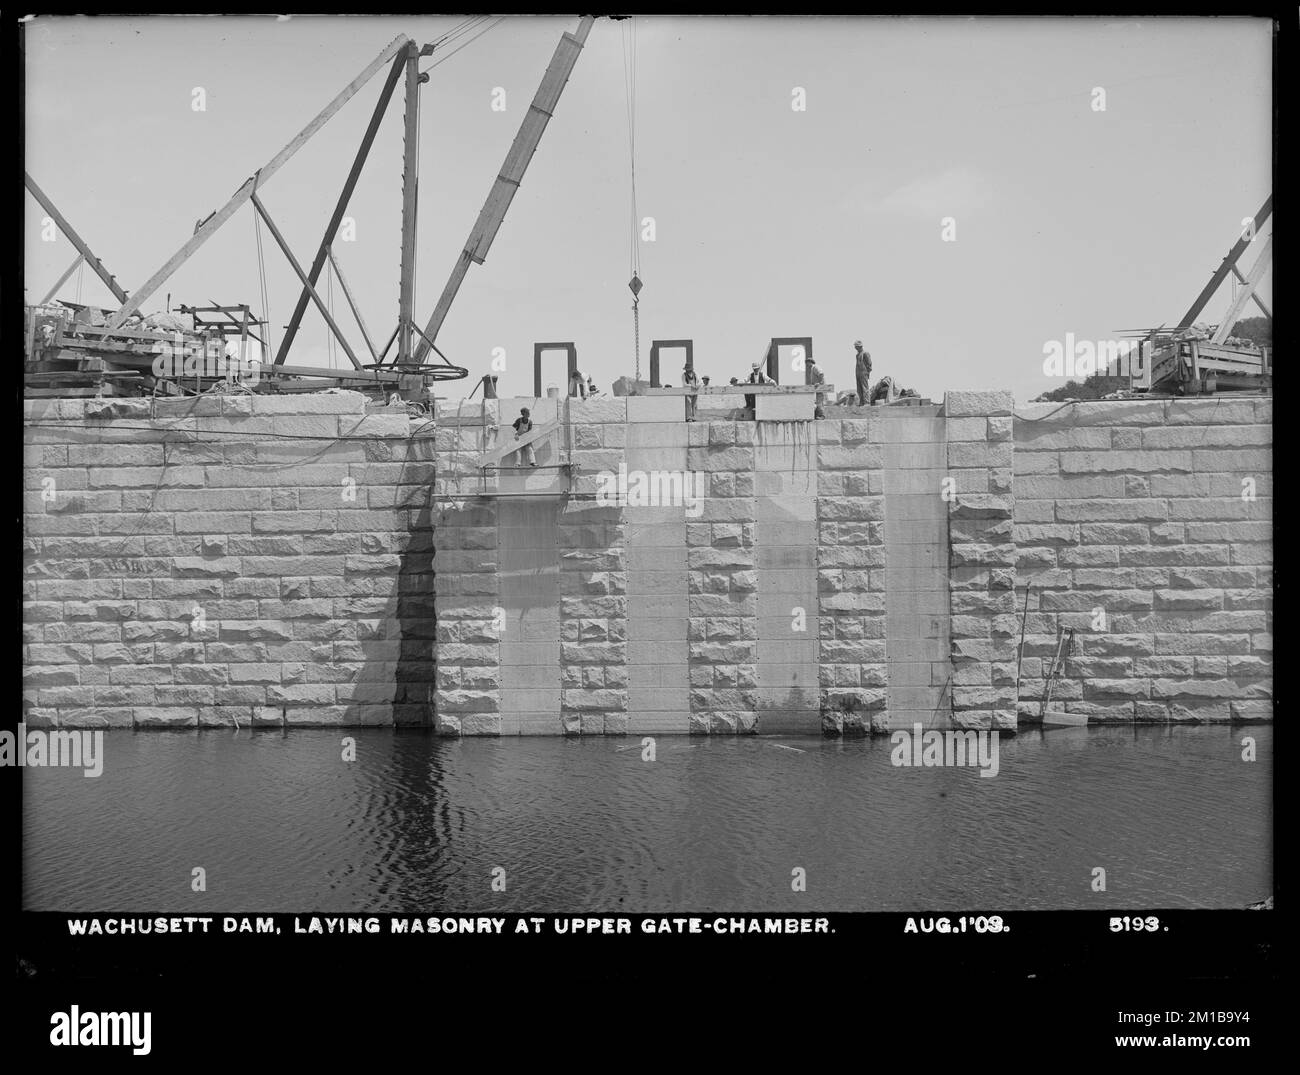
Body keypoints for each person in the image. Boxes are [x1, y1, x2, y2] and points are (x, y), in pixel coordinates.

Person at [853, 340, 872, 406]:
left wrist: (867, 372)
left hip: (864, 373)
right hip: (858, 373)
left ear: (860, 346)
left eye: (856, 346)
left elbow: (869, 364)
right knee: (859, 389)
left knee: (865, 388)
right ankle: (861, 402)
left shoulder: (865, 353)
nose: (855, 348)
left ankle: (867, 402)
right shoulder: (857, 355)